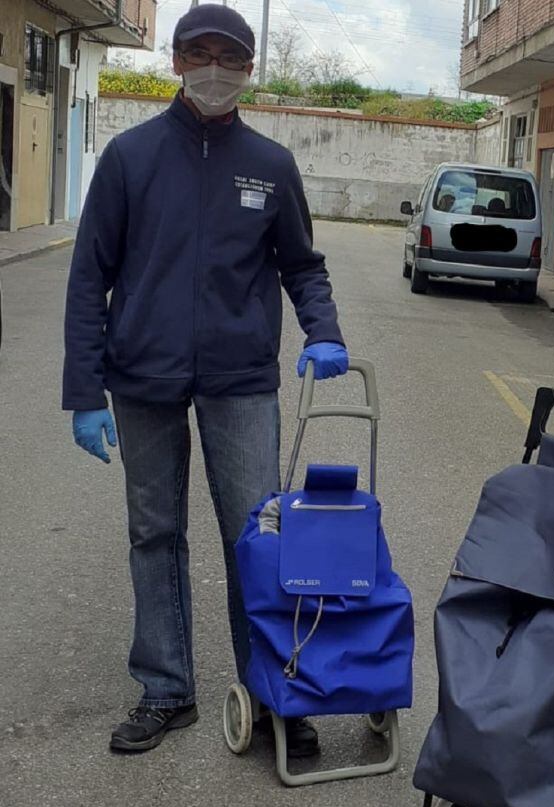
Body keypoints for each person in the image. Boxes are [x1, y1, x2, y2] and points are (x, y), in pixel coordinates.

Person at [62, 5, 348, 755]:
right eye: (199, 53)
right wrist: (85, 392)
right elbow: (89, 277)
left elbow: (302, 266)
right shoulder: (130, 158)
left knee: (255, 539)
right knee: (154, 533)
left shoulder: (271, 165)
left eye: (229, 56)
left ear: (250, 69)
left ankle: (272, 694)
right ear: (176, 62)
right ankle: (167, 689)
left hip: (241, 380)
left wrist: (326, 331)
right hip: (142, 378)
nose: (214, 68)